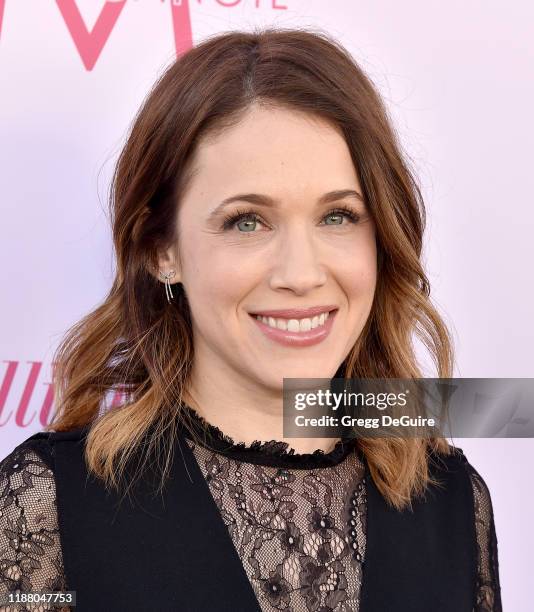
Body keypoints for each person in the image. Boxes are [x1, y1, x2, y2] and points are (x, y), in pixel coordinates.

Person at [0, 28, 501, 611]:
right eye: (246, 222)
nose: (300, 272)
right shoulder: (50, 507)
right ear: (162, 251)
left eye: (338, 216)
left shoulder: (451, 503)